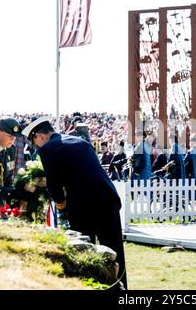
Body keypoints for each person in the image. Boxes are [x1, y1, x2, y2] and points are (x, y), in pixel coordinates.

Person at [21, 117, 127, 289]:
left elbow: (53, 184)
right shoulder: (80, 141)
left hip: (83, 206)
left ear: (39, 137)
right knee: (115, 252)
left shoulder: (48, 148)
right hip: (108, 200)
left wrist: (61, 205)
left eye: (34, 142)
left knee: (85, 254)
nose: (37, 146)